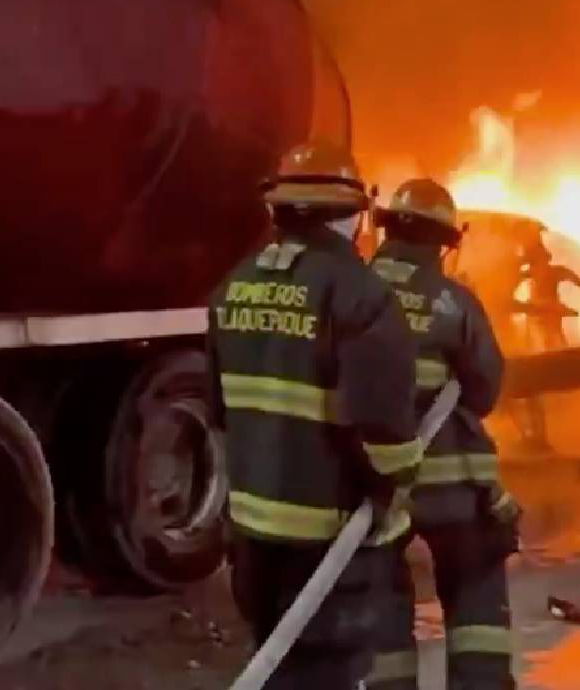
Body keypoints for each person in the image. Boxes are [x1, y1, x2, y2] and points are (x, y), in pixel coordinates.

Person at [206, 141, 422, 689]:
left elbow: (220, 408)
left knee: (279, 664)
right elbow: (385, 431)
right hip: (331, 538)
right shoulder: (361, 295)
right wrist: (391, 488)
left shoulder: (232, 287)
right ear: (353, 214)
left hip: (253, 535)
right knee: (323, 675)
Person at [367, 178, 520, 689]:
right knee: (476, 592)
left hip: (378, 489)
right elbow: (484, 391)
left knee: (381, 598)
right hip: (457, 491)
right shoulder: (453, 302)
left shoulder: (350, 293)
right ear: (444, 241)